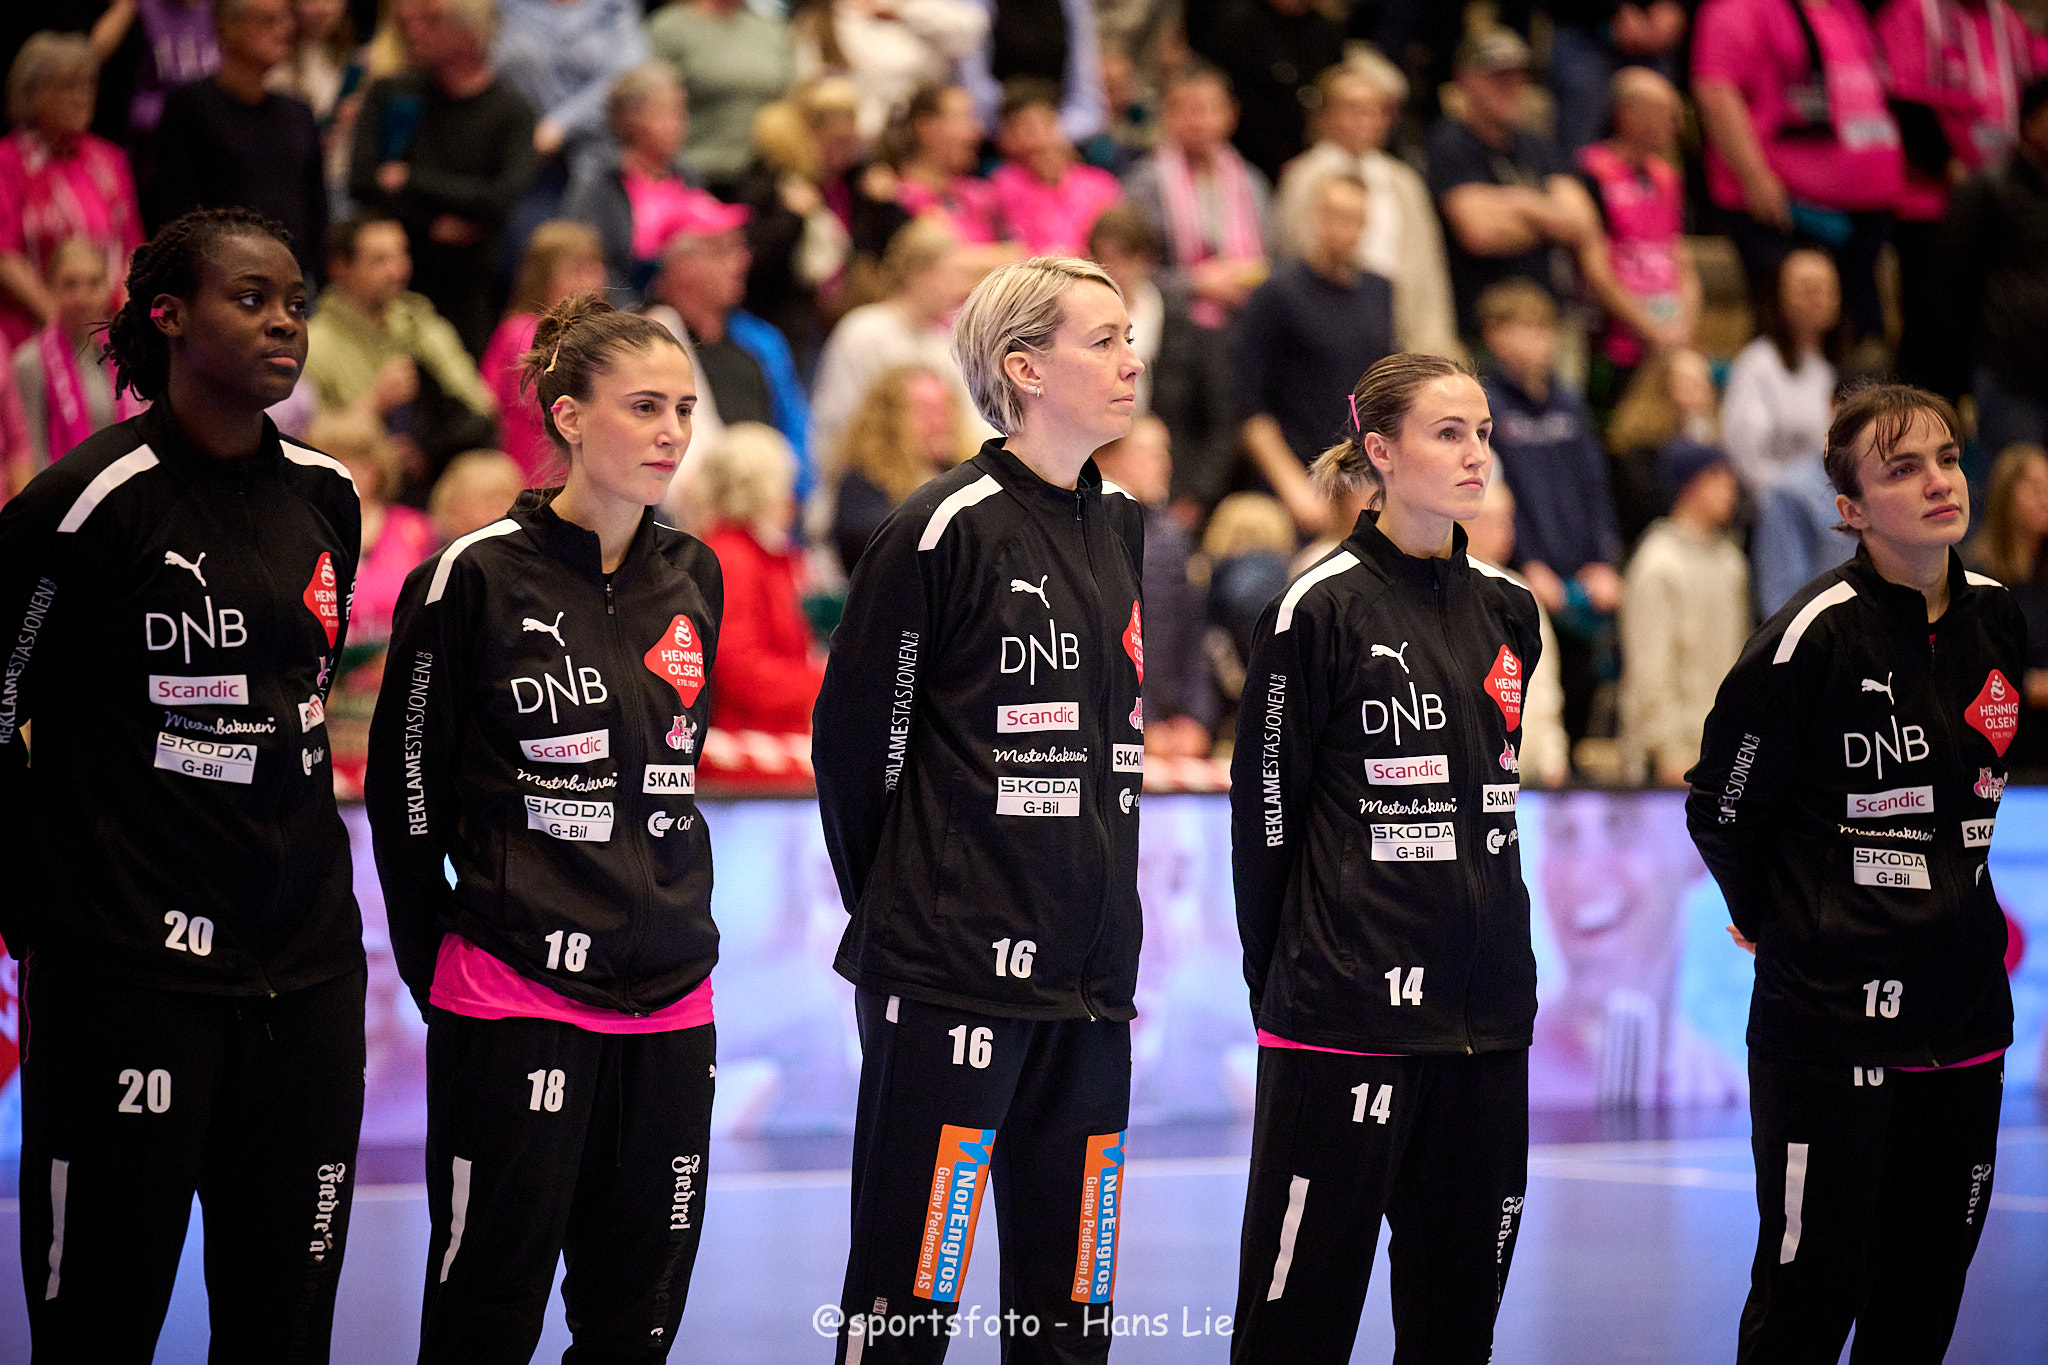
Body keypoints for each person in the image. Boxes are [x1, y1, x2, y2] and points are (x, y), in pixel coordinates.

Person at [0, 205, 365, 1360]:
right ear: (167, 318)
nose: (284, 324)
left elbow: (300, 700)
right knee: (98, 1327)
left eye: (295, 303)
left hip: (307, 976)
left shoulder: (327, 495)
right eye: (250, 300)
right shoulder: (85, 503)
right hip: (127, 977)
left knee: (284, 1330)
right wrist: (39, 907)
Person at [365, 291, 721, 1362]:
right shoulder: (471, 575)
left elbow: (671, 773)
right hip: (514, 994)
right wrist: (442, 964)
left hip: (671, 1002)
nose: (671, 432)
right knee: (486, 1315)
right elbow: (404, 791)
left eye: (684, 409)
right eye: (644, 406)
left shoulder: (692, 573)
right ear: (567, 416)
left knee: (636, 1325)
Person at [813, 255, 1145, 1364]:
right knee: (908, 1309)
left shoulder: (1123, 523)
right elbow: (855, 750)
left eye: (1129, 337)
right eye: (1102, 339)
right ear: (1024, 369)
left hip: (1089, 988)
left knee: (1071, 1318)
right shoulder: (940, 526)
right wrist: (920, 915)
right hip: (952, 975)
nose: (1130, 360)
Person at [1685, 383, 2025, 1363]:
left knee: (1920, 1306)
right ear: (1849, 508)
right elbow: (1721, 805)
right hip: (1830, 1025)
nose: (1937, 481)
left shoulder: (1998, 617)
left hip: (1965, 1020)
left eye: (1947, 458)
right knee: (1806, 1299)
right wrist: (1778, 919)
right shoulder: (1812, 635)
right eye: (1901, 468)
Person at [1226, 352, 1541, 1363]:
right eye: (1447, 433)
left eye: (1481, 432)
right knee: (1294, 1329)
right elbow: (1263, 814)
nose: (1475, 453)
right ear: (1380, 452)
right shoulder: (1316, 607)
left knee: (1456, 1330)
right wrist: (1284, 979)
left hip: (1485, 1024)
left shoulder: (1509, 610)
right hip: (1344, 1018)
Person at [1692, 0, 1904, 346]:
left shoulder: (1845, 9)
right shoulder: (1741, 9)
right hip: (1787, 210)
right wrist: (1754, 177)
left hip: (1862, 209)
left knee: (1860, 336)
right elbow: (1715, 91)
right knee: (1788, 338)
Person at [1876, 0, 2048, 398]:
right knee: (1934, 335)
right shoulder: (1914, 13)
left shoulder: (2005, 18)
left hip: (2001, 204)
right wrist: (1950, 167)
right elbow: (1906, 101)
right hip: (1932, 205)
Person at [348, 0, 538, 358]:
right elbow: (361, 181)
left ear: (470, 35)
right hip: (395, 280)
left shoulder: (511, 111)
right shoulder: (394, 94)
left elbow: (500, 199)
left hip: (473, 285)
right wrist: (432, 221)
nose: (414, 30)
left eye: (432, 22)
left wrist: (411, 179)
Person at [1479, 280, 1623, 746]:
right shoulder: (1488, 408)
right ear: (1494, 335)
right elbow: (1497, 498)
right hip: (1527, 573)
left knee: (1582, 687)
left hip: (1581, 574)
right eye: (1523, 329)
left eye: (1543, 330)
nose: (1537, 342)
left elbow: (1595, 488)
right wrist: (1525, 563)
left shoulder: (1568, 403)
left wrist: (1603, 560)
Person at [1228, 171, 1394, 534]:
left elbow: (1381, 396)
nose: (1342, 228)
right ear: (1316, 217)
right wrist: (1293, 485)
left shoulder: (1380, 292)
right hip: (1292, 480)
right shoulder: (1277, 292)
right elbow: (1248, 404)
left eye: (1354, 218)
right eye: (1334, 215)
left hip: (1360, 479)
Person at [1272, 55, 1458, 359]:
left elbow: (1427, 269)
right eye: (1353, 109)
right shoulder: (1303, 177)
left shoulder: (1404, 182)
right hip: (1329, 329)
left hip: (1401, 332)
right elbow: (1293, 254)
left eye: (1376, 110)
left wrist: (1435, 340)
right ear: (1326, 115)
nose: (1366, 119)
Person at [1427, 27, 1599, 343]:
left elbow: (1581, 223)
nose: (1511, 87)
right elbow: (1478, 232)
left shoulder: (1537, 145)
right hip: (1483, 330)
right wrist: (1545, 214)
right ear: (1466, 79)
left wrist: (1519, 205)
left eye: (1518, 76)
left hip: (1547, 322)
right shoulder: (1448, 143)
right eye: (1497, 77)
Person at [642, 199, 816, 502]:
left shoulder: (763, 342)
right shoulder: (642, 343)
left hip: (766, 503)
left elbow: (797, 436)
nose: (741, 262)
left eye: (740, 249)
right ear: (681, 265)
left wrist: (784, 494)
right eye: (722, 250)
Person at [305, 214, 498, 486]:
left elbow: (480, 404)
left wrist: (429, 448)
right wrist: (375, 404)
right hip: (353, 484)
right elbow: (308, 444)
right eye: (380, 261)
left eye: (401, 256)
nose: (397, 271)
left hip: (434, 475)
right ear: (340, 268)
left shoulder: (423, 323)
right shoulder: (313, 343)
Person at [148, 0, 327, 284]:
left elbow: (316, 208)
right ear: (227, 28)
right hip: (222, 282)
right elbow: (174, 207)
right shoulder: (191, 106)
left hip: (295, 281)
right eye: (268, 21)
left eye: (287, 20)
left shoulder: (298, 112)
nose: (284, 30)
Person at [0, 32, 145, 355]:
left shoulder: (110, 160)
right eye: (68, 87)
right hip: (28, 336)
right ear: (32, 94)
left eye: (87, 86)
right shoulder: (7, 162)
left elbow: (131, 246)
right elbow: (4, 256)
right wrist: (61, 322)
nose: (82, 98)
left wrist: (121, 319)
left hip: (104, 334)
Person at [809, 217, 989, 471]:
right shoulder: (864, 331)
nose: (958, 286)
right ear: (917, 274)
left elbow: (969, 424)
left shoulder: (945, 343)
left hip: (935, 473)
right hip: (871, 474)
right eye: (950, 274)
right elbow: (839, 422)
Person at [1087, 204, 1233, 512]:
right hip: (1098, 471)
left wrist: (1196, 494)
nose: (1112, 272)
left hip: (1173, 484)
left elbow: (1218, 416)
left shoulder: (1180, 324)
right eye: (1101, 260)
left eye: (1120, 259)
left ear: (1144, 259)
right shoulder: (1081, 325)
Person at [1619, 442, 1750, 786]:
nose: (1731, 488)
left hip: (1719, 750)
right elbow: (1649, 668)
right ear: (1691, 485)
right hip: (1668, 761)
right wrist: (1668, 750)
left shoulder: (1731, 562)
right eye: (1718, 476)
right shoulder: (1657, 563)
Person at [1574, 67, 1702, 397]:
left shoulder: (1668, 177)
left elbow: (1681, 258)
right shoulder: (1590, 171)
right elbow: (1594, 267)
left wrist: (1682, 328)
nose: (1676, 124)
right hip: (1614, 341)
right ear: (1628, 114)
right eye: (1665, 113)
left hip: (1669, 335)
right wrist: (1650, 328)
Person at [1094, 412, 1216, 757]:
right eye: (1149, 453)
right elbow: (1107, 641)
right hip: (1115, 724)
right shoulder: (1091, 534)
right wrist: (1140, 720)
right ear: (1108, 458)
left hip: (1171, 727)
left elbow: (1193, 635)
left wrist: (1195, 717)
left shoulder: (1174, 538)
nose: (1164, 464)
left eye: (1165, 453)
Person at [1120, 63, 1271, 332]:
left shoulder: (1252, 182)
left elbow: (1273, 260)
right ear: (1167, 115)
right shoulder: (1144, 185)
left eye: (1212, 109)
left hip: (1246, 322)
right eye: (1189, 110)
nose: (1201, 122)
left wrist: (1249, 276)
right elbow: (1126, 272)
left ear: (1231, 114)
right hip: (1172, 327)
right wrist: (1195, 284)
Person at [1945, 73, 2048, 459]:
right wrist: (1955, 377)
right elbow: (1949, 287)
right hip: (2009, 373)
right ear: (2029, 123)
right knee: (2012, 485)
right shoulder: (1988, 191)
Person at [698, 422, 824, 734]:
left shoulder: (764, 554)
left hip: (774, 723)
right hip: (749, 732)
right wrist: (824, 682)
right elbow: (740, 670)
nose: (791, 500)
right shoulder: (732, 558)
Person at [480, 219, 609, 485]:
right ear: (542, 278)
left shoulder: (606, 336)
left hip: (585, 476)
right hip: (533, 478)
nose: (589, 280)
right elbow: (546, 406)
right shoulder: (521, 331)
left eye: (594, 268)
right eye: (576, 270)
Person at [563, 61, 704, 296]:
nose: (679, 125)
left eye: (681, 113)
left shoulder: (690, 180)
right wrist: (636, 312)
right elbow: (585, 265)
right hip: (618, 307)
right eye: (666, 114)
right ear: (629, 120)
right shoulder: (597, 183)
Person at [10, 237, 148, 472]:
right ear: (50, 288)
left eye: (93, 283)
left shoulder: (127, 353)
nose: (82, 297)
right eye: (70, 284)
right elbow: (29, 454)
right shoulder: (30, 362)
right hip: (60, 488)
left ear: (108, 287)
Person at [828, 362, 972, 573]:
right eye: (926, 411)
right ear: (890, 420)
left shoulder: (968, 474)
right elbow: (882, 550)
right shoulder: (864, 482)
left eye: (946, 408)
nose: (941, 423)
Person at [1721, 247, 1844, 496]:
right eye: (1806, 289)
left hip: (1829, 499)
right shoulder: (1758, 363)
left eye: (1824, 289)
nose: (1817, 298)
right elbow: (1746, 454)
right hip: (1774, 500)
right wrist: (1795, 498)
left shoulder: (1833, 368)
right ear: (1779, 296)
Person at [646, 0, 796, 194]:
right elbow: (651, 105)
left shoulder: (771, 29)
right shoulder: (669, 29)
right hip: (692, 177)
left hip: (761, 177)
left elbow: (789, 102)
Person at [789, 0, 989, 143]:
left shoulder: (912, 6)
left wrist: (899, 12)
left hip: (924, 138)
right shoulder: (822, 22)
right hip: (864, 139)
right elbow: (812, 93)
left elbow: (972, 32)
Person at [494, 0, 650, 176]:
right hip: (517, 146)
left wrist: (560, 124)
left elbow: (625, 78)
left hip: (598, 150)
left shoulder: (615, 7)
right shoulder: (507, 6)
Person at [1970, 441, 2048, 771]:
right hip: (2004, 741)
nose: (2045, 498)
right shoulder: (1978, 579)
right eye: (2035, 488)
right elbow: (1972, 669)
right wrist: (2029, 685)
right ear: (2005, 496)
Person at [989, 77, 1123, 257]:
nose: (1039, 139)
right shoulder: (1004, 186)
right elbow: (1013, 252)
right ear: (1008, 138)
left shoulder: (1101, 184)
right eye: (1025, 128)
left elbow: (1118, 248)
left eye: (1043, 125)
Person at [1605, 346, 1724, 549]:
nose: (1700, 392)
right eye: (1688, 383)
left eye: (1703, 382)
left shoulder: (1710, 444)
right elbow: (1648, 512)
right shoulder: (1637, 451)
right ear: (1661, 387)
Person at [958, 0, 1108, 150]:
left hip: (1059, 132)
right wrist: (1017, 129)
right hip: (998, 129)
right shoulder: (977, 5)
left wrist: (1050, 132)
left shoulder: (1074, 5)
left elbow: (1087, 99)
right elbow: (973, 87)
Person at [1548, 2, 1691, 158]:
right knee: (1584, 95)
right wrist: (1617, 10)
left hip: (1652, 44)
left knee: (1659, 106)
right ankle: (1580, 169)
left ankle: (1650, 171)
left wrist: (1675, 7)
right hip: (1587, 31)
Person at [889, 82, 1013, 261]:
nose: (977, 130)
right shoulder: (896, 198)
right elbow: (942, 265)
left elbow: (1021, 249)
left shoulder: (978, 193)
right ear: (926, 128)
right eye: (964, 118)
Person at [428, 445, 526, 539]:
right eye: (489, 501)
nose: (500, 511)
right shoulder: (428, 544)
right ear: (454, 507)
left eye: (508, 498)